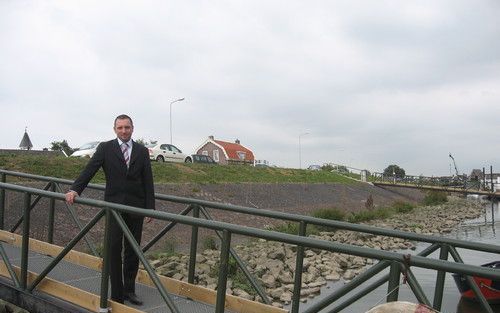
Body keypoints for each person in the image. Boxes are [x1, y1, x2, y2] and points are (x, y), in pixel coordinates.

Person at [65, 114, 154, 305]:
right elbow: (90, 169)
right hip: (113, 206)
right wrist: (75, 189)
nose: (124, 131)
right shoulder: (106, 148)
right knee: (113, 249)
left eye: (127, 127)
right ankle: (117, 293)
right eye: (120, 127)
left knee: (132, 249)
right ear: (115, 129)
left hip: (136, 207)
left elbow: (148, 180)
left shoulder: (141, 151)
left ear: (132, 128)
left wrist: (150, 208)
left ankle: (130, 290)